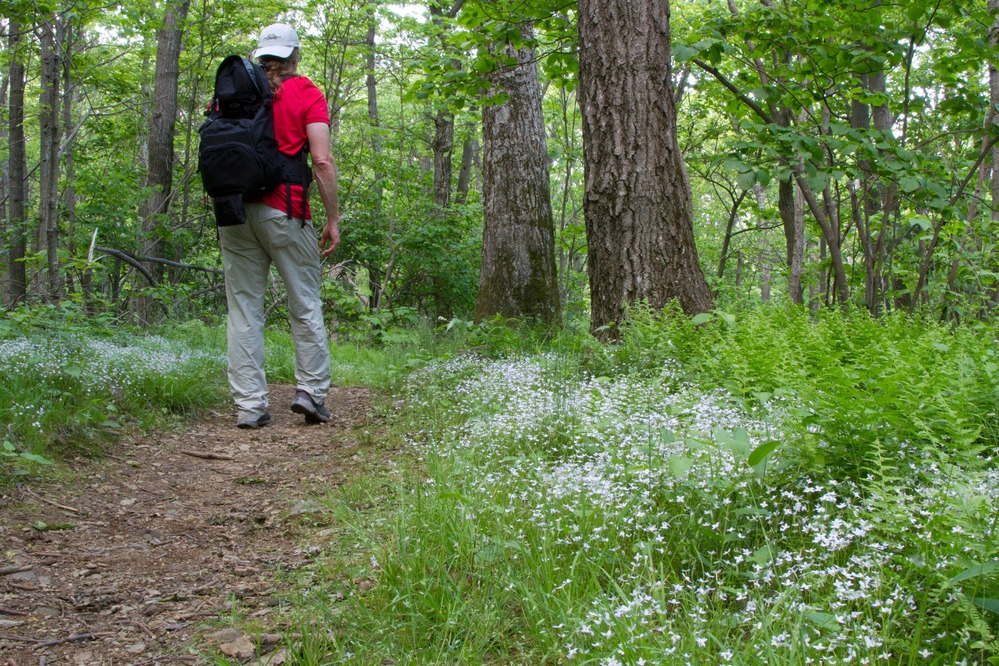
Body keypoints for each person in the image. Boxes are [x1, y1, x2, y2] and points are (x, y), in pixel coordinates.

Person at [220, 22, 341, 429]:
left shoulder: (232, 93)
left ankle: (249, 406)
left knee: (243, 310)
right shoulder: (306, 93)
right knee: (304, 304)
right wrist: (333, 217)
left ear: (260, 56)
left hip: (233, 214)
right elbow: (321, 161)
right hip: (285, 212)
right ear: (295, 56)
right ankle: (309, 392)